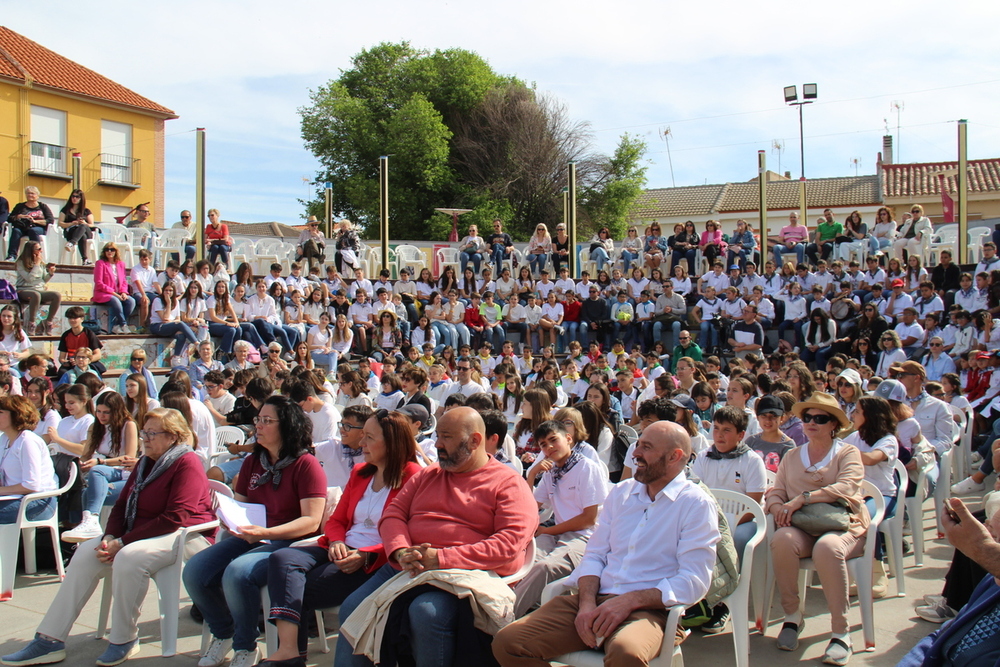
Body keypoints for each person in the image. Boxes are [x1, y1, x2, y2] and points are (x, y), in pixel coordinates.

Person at [492, 421, 721, 666]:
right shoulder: (622, 493)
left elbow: (694, 581)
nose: (635, 453)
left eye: (646, 447)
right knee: (507, 643)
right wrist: (587, 602)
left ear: (675, 457)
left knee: (626, 654)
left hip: (650, 611)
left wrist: (630, 601)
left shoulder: (695, 504)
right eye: (638, 445)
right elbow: (595, 555)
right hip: (594, 600)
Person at [0, 407, 215, 667]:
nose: (145, 438)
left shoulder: (186, 462)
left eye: (152, 433)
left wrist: (121, 542)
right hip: (141, 531)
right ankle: (49, 639)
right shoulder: (146, 461)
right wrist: (110, 535)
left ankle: (125, 638)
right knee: (84, 555)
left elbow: (176, 517)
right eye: (144, 431)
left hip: (183, 535)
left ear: (173, 436)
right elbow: (123, 505)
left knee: (128, 557)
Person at [334, 407, 537, 667]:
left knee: (426, 613)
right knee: (352, 608)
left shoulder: (508, 483)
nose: (437, 444)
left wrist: (440, 558)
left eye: (447, 437)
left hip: (463, 574)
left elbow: (508, 545)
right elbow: (393, 516)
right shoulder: (430, 474)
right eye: (438, 435)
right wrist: (400, 550)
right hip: (408, 564)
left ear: (474, 441)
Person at [262, 409, 421, 664]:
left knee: (297, 588)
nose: (361, 443)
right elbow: (336, 520)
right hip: (341, 545)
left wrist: (367, 554)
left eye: (369, 437)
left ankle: (291, 656)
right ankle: (290, 650)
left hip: (373, 560)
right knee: (282, 558)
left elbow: (410, 534)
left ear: (392, 442)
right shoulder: (361, 472)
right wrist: (336, 541)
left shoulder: (413, 476)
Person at [185, 396, 327, 667]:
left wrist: (267, 532)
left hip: (290, 543)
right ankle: (224, 633)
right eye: (257, 420)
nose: (257, 426)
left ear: (286, 426)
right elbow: (242, 504)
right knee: (195, 571)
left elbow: (311, 521)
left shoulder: (305, 465)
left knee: (237, 573)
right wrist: (231, 519)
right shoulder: (253, 461)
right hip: (253, 536)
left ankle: (246, 645)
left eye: (266, 421)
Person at [764, 392, 869, 665]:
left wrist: (805, 498)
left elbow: (847, 486)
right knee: (782, 540)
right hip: (801, 526)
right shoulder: (792, 455)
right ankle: (792, 617)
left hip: (842, 525)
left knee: (827, 547)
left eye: (820, 418)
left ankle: (840, 632)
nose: (811, 423)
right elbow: (777, 491)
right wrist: (778, 509)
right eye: (807, 417)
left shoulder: (848, 452)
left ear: (834, 424)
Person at [513, 419, 610, 618]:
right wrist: (532, 474)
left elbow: (589, 519)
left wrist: (548, 531)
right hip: (557, 533)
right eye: (543, 445)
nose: (549, 448)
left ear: (568, 438)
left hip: (585, 539)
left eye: (553, 440)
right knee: (521, 559)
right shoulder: (551, 472)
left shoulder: (587, 468)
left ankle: (503, 618)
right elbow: (530, 508)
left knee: (544, 567)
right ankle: (510, 611)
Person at [0, 395, 57, 527]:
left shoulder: (27, 441)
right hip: (13, 498)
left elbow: (31, 485)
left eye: (0, 412)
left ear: (16, 415)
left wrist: (1, 490)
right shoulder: (4, 439)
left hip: (38, 502)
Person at [15, 241, 61, 336]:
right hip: (24, 289)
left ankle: (48, 322)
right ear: (31, 250)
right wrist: (36, 264)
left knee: (56, 295)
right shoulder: (20, 263)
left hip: (39, 289)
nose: (41, 251)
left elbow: (44, 280)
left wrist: (50, 273)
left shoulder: (41, 262)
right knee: (35, 295)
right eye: (38, 249)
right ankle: (31, 323)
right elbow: (29, 279)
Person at [93, 243, 136, 335]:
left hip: (118, 293)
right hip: (103, 292)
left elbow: (124, 281)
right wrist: (115, 294)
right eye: (107, 249)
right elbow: (99, 283)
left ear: (116, 251)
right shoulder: (100, 263)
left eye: (112, 249)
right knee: (116, 300)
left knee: (131, 301)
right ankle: (124, 325)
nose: (109, 251)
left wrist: (124, 292)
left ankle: (116, 326)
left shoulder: (120, 264)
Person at [6, 186, 52, 261]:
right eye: (28, 193)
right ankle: (12, 255)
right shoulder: (20, 206)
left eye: (32, 193)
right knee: (16, 231)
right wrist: (19, 216)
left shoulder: (42, 206)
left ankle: (36, 255)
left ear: (37, 195)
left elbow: (50, 220)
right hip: (23, 227)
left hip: (37, 227)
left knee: (33, 231)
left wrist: (35, 221)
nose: (30, 195)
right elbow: (9, 218)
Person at [57, 189, 95, 265]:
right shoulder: (65, 210)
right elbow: (60, 223)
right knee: (82, 236)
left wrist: (84, 223)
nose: (74, 198)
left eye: (77, 197)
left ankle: (71, 243)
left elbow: (92, 225)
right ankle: (85, 260)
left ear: (81, 199)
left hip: (86, 232)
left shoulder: (86, 211)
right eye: (73, 196)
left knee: (83, 226)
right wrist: (71, 223)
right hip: (71, 232)